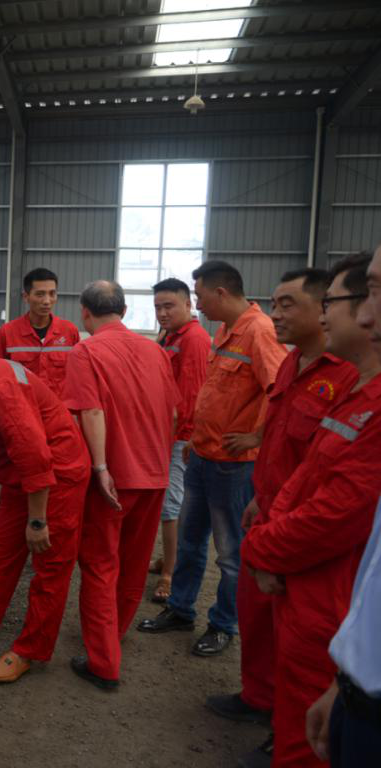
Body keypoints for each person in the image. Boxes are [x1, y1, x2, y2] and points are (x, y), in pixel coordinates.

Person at [207, 268, 358, 767]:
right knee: (258, 620)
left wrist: (275, 531)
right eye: (274, 303)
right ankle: (259, 698)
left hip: (299, 532)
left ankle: (288, 732)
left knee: (302, 644)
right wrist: (261, 495)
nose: (276, 314)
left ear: (324, 307)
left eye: (287, 304)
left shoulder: (347, 377)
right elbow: (277, 433)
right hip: (268, 508)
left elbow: (330, 477)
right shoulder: (294, 361)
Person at [241, 253, 381, 768]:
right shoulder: (345, 387)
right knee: (290, 690)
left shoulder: (357, 390)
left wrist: (263, 548)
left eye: (330, 304)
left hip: (321, 580)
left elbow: (339, 511)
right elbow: (303, 470)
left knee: (309, 732)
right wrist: (265, 521)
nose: (327, 316)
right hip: (285, 549)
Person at [139, 260, 286, 657]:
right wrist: (196, 437)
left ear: (221, 293)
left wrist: (256, 436)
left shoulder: (259, 332)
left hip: (234, 465)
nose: (198, 304)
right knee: (190, 542)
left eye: (200, 296)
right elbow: (213, 391)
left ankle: (223, 624)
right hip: (203, 454)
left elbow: (278, 389)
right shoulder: (223, 331)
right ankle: (181, 608)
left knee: (231, 554)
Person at [63, 280, 179, 689]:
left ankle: (103, 662)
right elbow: (173, 413)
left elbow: (91, 411)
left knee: (99, 563)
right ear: (125, 311)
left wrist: (100, 468)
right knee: (133, 562)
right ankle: (114, 633)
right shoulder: (155, 351)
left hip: (114, 478)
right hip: (154, 473)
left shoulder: (86, 351)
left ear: (85, 313)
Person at [0, 356, 91, 684]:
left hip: (57, 472)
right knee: (2, 549)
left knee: (50, 564)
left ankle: (30, 649)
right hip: (22, 472)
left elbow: (35, 455)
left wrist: (37, 521)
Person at [306, 245, 381, 767]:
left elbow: (336, 512)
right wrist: (344, 679)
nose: (368, 316)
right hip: (357, 692)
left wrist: (264, 547)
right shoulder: (355, 390)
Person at [150, 278, 211, 603]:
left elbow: (191, 395)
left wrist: (176, 436)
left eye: (169, 306)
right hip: (166, 432)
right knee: (166, 502)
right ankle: (167, 559)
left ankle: (170, 575)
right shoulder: (170, 336)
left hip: (180, 435)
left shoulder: (195, 339)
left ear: (188, 304)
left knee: (171, 506)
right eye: (158, 307)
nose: (162, 313)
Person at [0, 267, 81, 398]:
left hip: (59, 408)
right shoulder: (7, 333)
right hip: (22, 406)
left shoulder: (69, 331)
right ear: (26, 297)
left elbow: (78, 376)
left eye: (52, 294)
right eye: (40, 294)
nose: (47, 301)